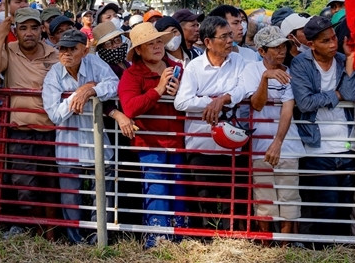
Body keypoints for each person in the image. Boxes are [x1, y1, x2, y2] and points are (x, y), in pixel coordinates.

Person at [0, 7, 61, 234]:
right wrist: (1, 34)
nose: (29, 33)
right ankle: (33, 231)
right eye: (23, 28)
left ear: (41, 30)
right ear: (15, 31)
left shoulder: (54, 54)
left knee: (50, 184)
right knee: (24, 184)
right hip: (20, 130)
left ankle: (51, 234)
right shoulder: (8, 50)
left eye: (34, 28)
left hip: (49, 129)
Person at [42, 29, 118, 244]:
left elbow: (115, 84)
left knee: (101, 194)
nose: (66, 54)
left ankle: (99, 237)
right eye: (62, 49)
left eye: (72, 49)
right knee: (70, 197)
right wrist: (79, 93)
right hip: (68, 144)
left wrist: (92, 90)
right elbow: (54, 114)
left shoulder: (94, 63)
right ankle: (75, 240)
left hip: (97, 141)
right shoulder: (53, 74)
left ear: (84, 51)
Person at [173, 15, 249, 230]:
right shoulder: (194, 67)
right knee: (202, 195)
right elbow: (181, 101)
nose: (229, 41)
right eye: (224, 37)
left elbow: (245, 88)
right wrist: (211, 102)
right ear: (208, 41)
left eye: (230, 36)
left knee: (230, 195)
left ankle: (231, 235)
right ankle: (203, 237)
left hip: (232, 143)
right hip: (201, 143)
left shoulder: (239, 62)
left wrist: (223, 99)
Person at [118, 22, 186, 248]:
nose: (157, 46)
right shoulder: (131, 75)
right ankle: (157, 239)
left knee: (178, 187)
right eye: (150, 44)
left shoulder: (177, 68)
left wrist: (180, 93)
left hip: (176, 139)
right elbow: (129, 108)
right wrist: (158, 90)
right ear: (138, 50)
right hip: (150, 142)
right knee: (156, 187)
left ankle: (181, 236)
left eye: (159, 42)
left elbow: (190, 99)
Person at [289, 15, 355, 236]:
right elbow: (305, 102)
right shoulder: (301, 64)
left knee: (344, 206)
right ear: (311, 44)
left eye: (333, 38)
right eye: (325, 41)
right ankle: (323, 249)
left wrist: (350, 59)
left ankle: (341, 250)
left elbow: (351, 93)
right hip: (316, 147)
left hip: (345, 145)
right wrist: (337, 94)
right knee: (325, 207)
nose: (332, 44)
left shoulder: (342, 59)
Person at [242, 26, 304, 236]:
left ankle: (286, 245)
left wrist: (277, 142)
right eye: (275, 47)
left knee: (289, 196)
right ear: (261, 51)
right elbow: (257, 104)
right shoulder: (251, 70)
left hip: (287, 143)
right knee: (264, 197)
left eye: (283, 46)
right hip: (260, 142)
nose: (282, 51)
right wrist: (265, 78)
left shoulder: (290, 72)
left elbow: (288, 108)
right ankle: (266, 243)